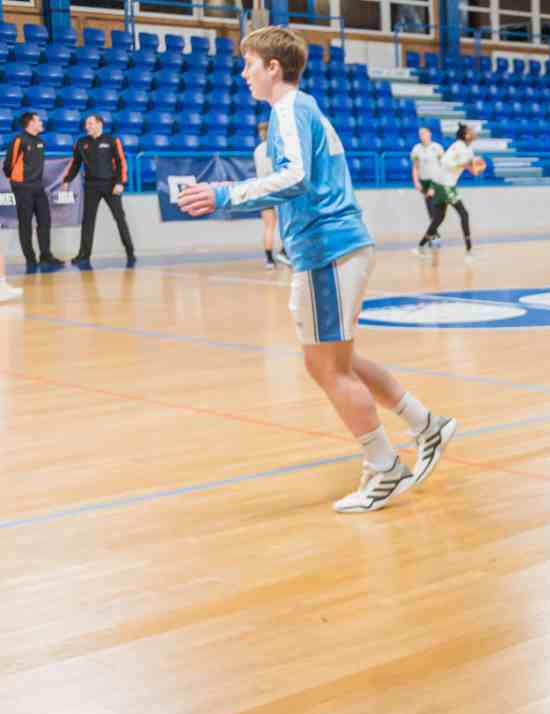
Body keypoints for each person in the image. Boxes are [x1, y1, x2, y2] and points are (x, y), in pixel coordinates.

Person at [177, 26, 457, 514]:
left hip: (328, 251)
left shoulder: (289, 109)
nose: (243, 74)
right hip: (329, 250)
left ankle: (385, 466)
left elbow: (296, 177)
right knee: (334, 362)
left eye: (249, 64)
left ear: (273, 68)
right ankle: (425, 424)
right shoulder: (299, 109)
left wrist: (223, 194)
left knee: (328, 368)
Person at [63, 113, 136, 269]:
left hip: (111, 185)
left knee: (120, 218)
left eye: (90, 123)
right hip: (91, 186)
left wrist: (120, 182)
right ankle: (83, 255)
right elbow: (75, 164)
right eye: (86, 124)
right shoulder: (81, 142)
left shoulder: (112, 140)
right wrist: (67, 180)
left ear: (100, 124)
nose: (87, 126)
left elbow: (121, 162)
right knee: (87, 221)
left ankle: (130, 252)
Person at [5, 113, 63, 272]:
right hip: (22, 187)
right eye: (38, 120)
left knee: (45, 220)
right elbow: (8, 164)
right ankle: (30, 259)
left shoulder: (40, 142)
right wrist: (17, 180)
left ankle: (46, 256)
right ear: (30, 123)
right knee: (25, 223)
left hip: (38, 186)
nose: (41, 122)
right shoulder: (19, 140)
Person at [421, 123, 480, 257]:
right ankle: (469, 250)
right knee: (464, 214)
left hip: (446, 184)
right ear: (466, 135)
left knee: (438, 219)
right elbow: (445, 162)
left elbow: (469, 168)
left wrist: (475, 170)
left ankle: (421, 245)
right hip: (444, 185)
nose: (474, 132)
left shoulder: (469, 150)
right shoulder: (458, 146)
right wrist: (462, 164)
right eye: (471, 131)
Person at [253, 122, 289, 269]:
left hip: (262, 189)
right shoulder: (277, 148)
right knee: (287, 223)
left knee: (269, 226)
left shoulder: (257, 150)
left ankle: (269, 260)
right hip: (277, 187)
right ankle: (285, 252)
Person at [408, 125, 445, 253]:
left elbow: (443, 166)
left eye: (424, 133)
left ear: (430, 134)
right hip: (424, 183)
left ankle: (433, 241)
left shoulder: (437, 148)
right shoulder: (416, 149)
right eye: (420, 134)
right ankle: (434, 240)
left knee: (435, 213)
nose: (422, 136)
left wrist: (435, 185)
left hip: (436, 182)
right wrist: (416, 181)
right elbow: (415, 167)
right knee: (431, 213)